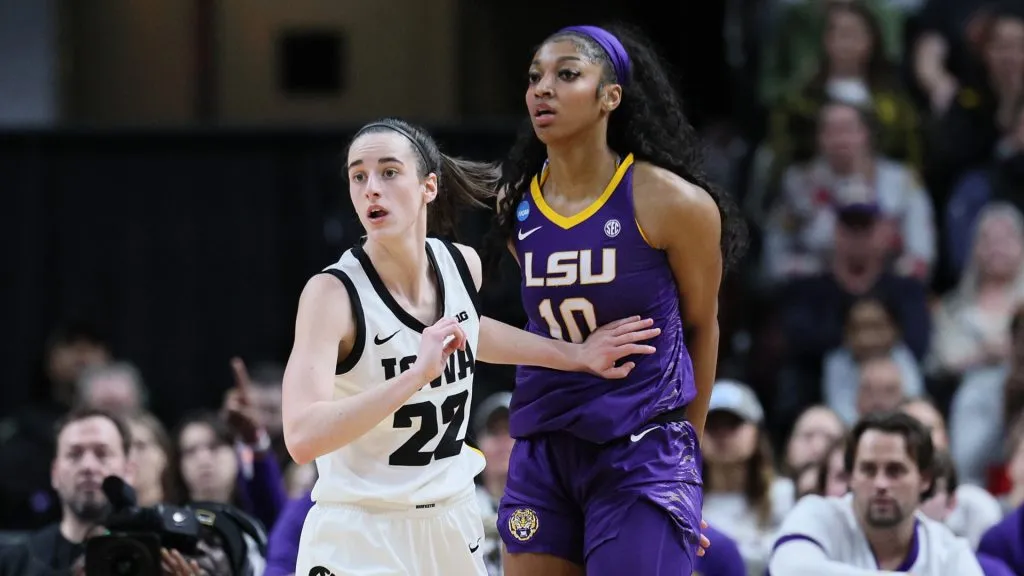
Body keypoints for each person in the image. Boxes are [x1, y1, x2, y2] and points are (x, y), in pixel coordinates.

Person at [282, 117, 664, 576]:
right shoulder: (332, 294)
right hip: (362, 531)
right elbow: (302, 437)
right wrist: (414, 376)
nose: (371, 189)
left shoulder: (460, 264)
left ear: (428, 186)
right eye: (357, 176)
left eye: (388, 172)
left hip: (452, 522)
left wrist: (576, 355)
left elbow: (472, 330)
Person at [487, 23, 747, 576]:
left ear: (610, 97)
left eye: (566, 75)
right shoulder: (517, 203)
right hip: (542, 444)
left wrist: (687, 465)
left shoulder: (673, 202)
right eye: (535, 77)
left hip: (642, 447)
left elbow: (702, 326)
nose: (542, 89)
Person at [768, 411, 984, 575]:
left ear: (925, 479)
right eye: (868, 470)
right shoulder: (815, 514)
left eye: (895, 470)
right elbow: (791, 571)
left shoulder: (950, 553)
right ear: (851, 476)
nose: (880, 483)